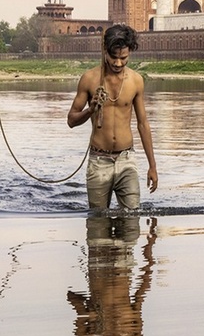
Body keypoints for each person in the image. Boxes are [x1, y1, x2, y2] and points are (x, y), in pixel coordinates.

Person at [67, 24, 158, 210]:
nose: (118, 63)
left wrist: (152, 166)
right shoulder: (90, 79)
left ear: (130, 52)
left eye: (123, 58)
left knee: (132, 220)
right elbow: (71, 120)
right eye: (113, 57)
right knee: (98, 225)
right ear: (104, 51)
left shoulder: (136, 81)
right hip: (99, 161)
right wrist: (91, 110)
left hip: (126, 160)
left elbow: (143, 124)